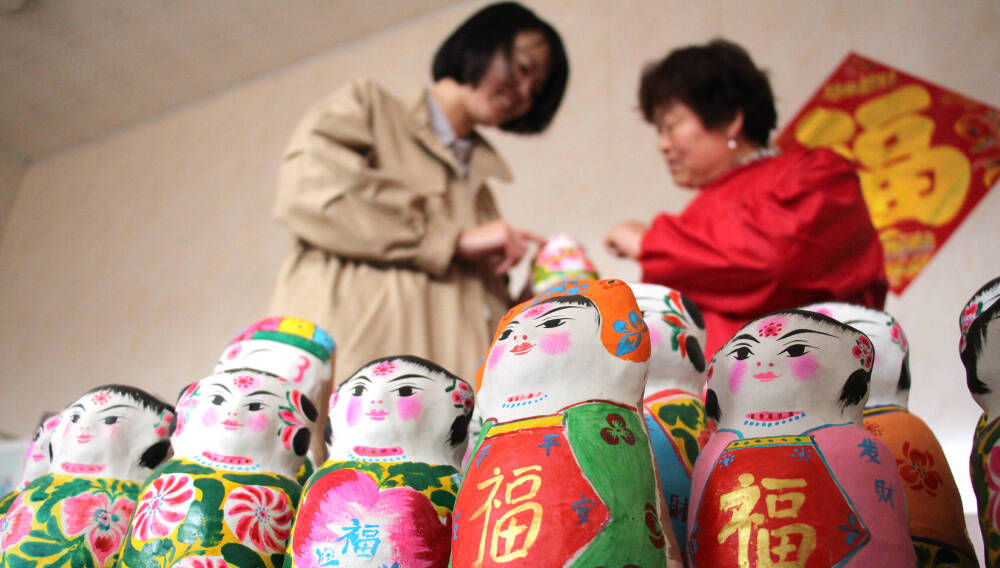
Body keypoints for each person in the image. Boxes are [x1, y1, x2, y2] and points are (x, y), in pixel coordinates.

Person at [269, 2, 568, 384]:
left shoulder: (482, 197)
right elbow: (308, 190)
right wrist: (451, 238)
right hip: (354, 389)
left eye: (535, 91)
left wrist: (524, 302)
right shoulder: (369, 109)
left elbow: (462, 314)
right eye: (524, 68)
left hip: (447, 405)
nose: (524, 92)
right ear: (483, 43)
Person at [605, 39, 887, 360]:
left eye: (671, 126)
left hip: (803, 382)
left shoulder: (819, 175)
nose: (662, 144)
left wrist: (649, 243)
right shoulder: (697, 211)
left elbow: (774, 261)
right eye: (659, 131)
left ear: (730, 120)